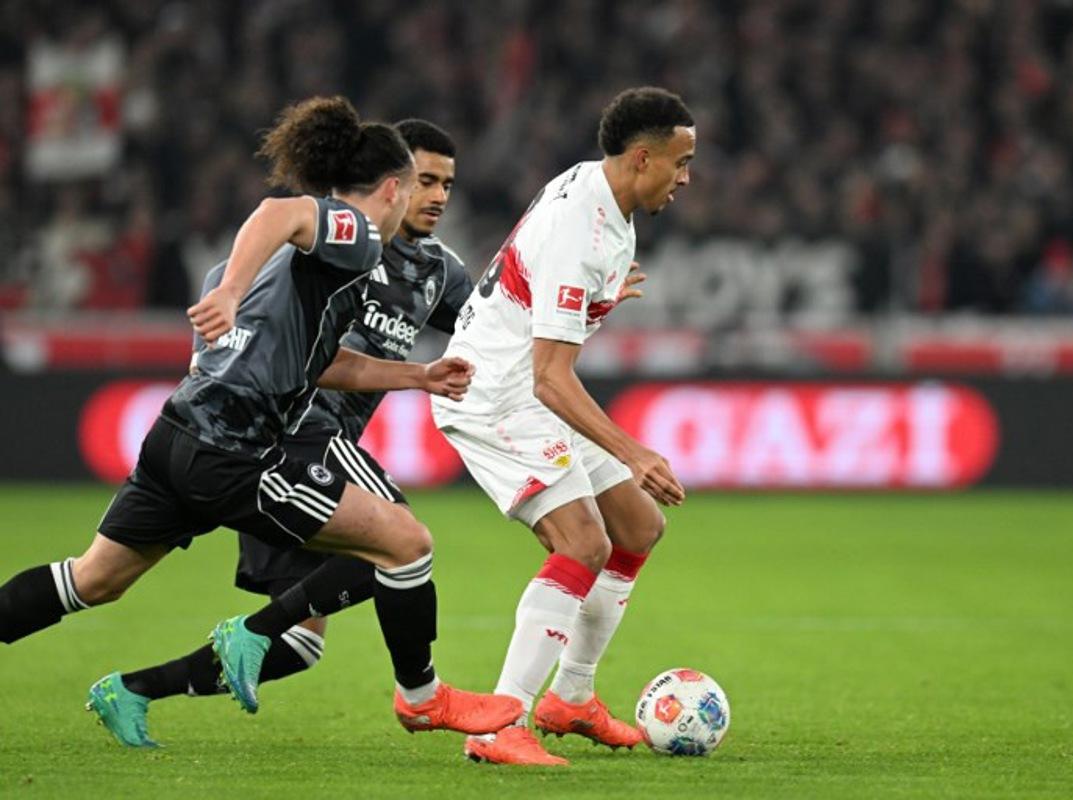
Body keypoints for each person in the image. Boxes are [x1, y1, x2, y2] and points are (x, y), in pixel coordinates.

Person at [0, 97, 521, 744]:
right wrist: (226, 292)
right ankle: (418, 697)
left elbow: (329, 364)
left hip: (177, 435)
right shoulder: (356, 236)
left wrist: (418, 376)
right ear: (393, 188)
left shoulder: (318, 267)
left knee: (93, 580)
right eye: (421, 182)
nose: (433, 196)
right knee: (402, 544)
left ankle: (178, 671)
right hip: (236, 451)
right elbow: (281, 210)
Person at [430, 86, 696, 765]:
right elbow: (551, 376)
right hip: (492, 392)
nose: (686, 177)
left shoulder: (601, 192)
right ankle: (498, 726)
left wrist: (598, 292)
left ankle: (571, 697)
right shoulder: (583, 225)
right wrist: (633, 452)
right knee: (582, 544)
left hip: (527, 386)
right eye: (680, 162)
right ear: (642, 158)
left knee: (637, 528)